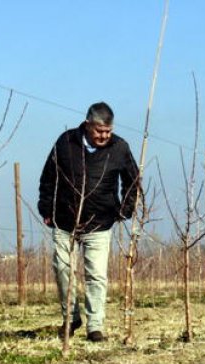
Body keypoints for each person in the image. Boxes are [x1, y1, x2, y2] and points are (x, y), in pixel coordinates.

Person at [38, 102, 140, 342]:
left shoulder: (120, 148)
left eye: (108, 131)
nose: (104, 136)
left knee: (96, 275)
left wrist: (124, 209)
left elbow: (132, 181)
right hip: (64, 221)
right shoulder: (66, 142)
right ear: (87, 125)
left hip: (100, 222)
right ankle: (70, 318)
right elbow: (48, 177)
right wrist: (46, 207)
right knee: (63, 270)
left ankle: (95, 326)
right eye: (99, 131)